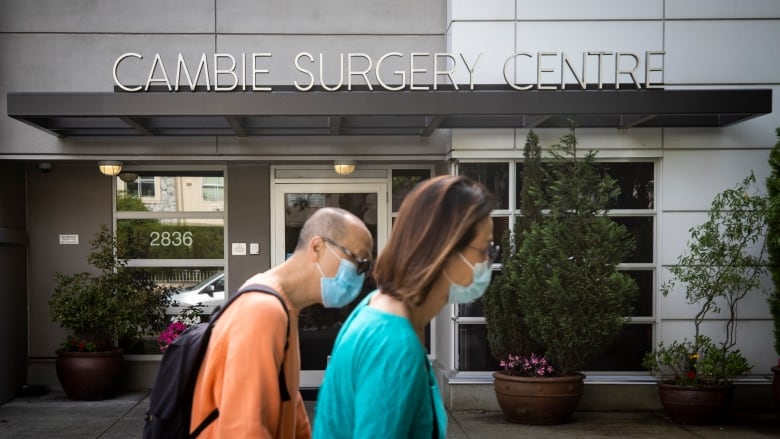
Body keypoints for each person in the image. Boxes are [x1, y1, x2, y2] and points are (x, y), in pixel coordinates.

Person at [313, 175, 497, 439]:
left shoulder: (376, 307)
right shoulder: (394, 344)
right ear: (445, 250)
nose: (488, 261)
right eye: (484, 249)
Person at [190, 207, 374, 438]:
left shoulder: (283, 307)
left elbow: (287, 398)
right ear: (317, 247)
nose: (361, 275)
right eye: (358, 261)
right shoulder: (262, 311)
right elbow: (243, 430)